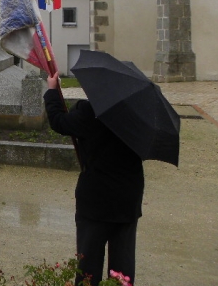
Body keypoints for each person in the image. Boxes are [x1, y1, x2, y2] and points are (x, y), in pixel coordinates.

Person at [44, 71, 144, 285]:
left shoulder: (90, 111)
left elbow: (59, 121)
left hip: (96, 200)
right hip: (127, 198)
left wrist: (52, 91)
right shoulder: (138, 116)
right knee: (122, 270)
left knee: (88, 268)